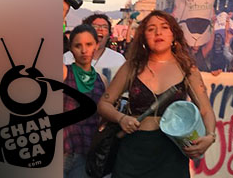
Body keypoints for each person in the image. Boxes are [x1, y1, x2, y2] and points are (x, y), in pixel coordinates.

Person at [97, 10, 216, 178]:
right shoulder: (132, 67)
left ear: (174, 34)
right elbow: (104, 104)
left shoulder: (187, 68)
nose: (158, 32)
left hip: (172, 154)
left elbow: (205, 110)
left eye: (164, 27)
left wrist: (210, 136)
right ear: (144, 36)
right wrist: (121, 118)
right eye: (151, 28)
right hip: (133, 152)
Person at [62, 24, 106, 178]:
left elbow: (103, 118)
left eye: (89, 44)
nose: (84, 50)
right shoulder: (64, 72)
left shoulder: (102, 80)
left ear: (97, 45)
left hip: (85, 152)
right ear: (70, 48)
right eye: (77, 45)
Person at [63, 13, 125, 85]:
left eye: (105, 27)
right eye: (95, 26)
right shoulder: (66, 58)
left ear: (109, 34)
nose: (100, 29)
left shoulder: (118, 59)